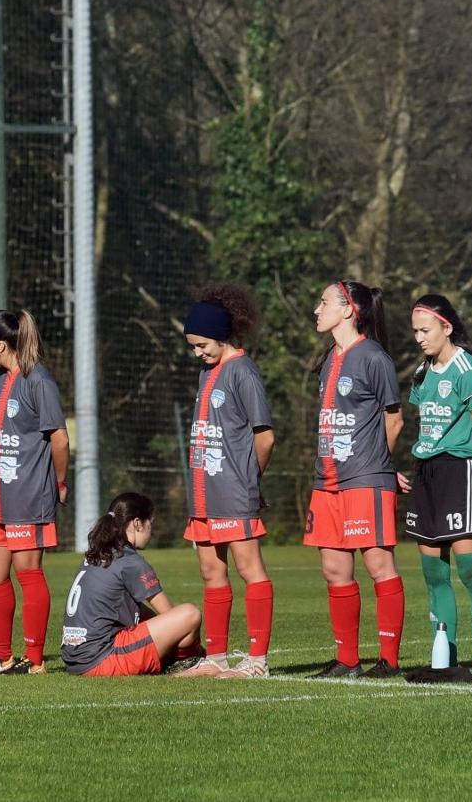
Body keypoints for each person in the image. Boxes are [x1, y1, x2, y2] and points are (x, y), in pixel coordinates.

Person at [304, 280, 407, 679]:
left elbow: (393, 418)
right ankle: (347, 659)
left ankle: (389, 660)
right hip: (326, 480)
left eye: (324, 301)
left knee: (379, 565)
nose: (317, 308)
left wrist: (379, 463)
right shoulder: (330, 357)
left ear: (349, 310)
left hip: (364, 479)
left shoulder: (374, 357)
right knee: (334, 569)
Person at [173, 284, 274, 679]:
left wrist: (249, 478)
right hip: (203, 494)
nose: (198, 352)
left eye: (201, 344)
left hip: (233, 492)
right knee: (211, 574)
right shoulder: (207, 372)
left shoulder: (243, 371)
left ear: (221, 335)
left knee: (251, 570)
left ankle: (257, 662)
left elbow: (264, 436)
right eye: (193, 346)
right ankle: (215, 658)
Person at [403, 295, 472, 684]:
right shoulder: (422, 370)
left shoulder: (467, 369)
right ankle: (446, 663)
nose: (419, 338)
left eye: (425, 329)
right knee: (433, 573)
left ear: (447, 327)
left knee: (470, 569)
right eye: (414, 331)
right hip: (426, 473)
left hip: (460, 471)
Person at [0, 310, 69, 675]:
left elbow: (59, 438)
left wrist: (59, 482)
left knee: (28, 572)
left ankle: (35, 660)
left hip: (29, 496)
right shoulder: (0, 378)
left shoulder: (38, 380)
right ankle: (1, 655)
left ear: (0, 345)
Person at [61, 493, 202, 676]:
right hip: (103, 658)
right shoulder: (130, 561)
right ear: (137, 523)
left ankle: (184, 660)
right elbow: (171, 614)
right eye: (151, 523)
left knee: (148, 615)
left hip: (76, 658)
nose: (152, 530)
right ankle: (187, 663)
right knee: (190, 614)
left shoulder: (100, 553)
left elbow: (141, 613)